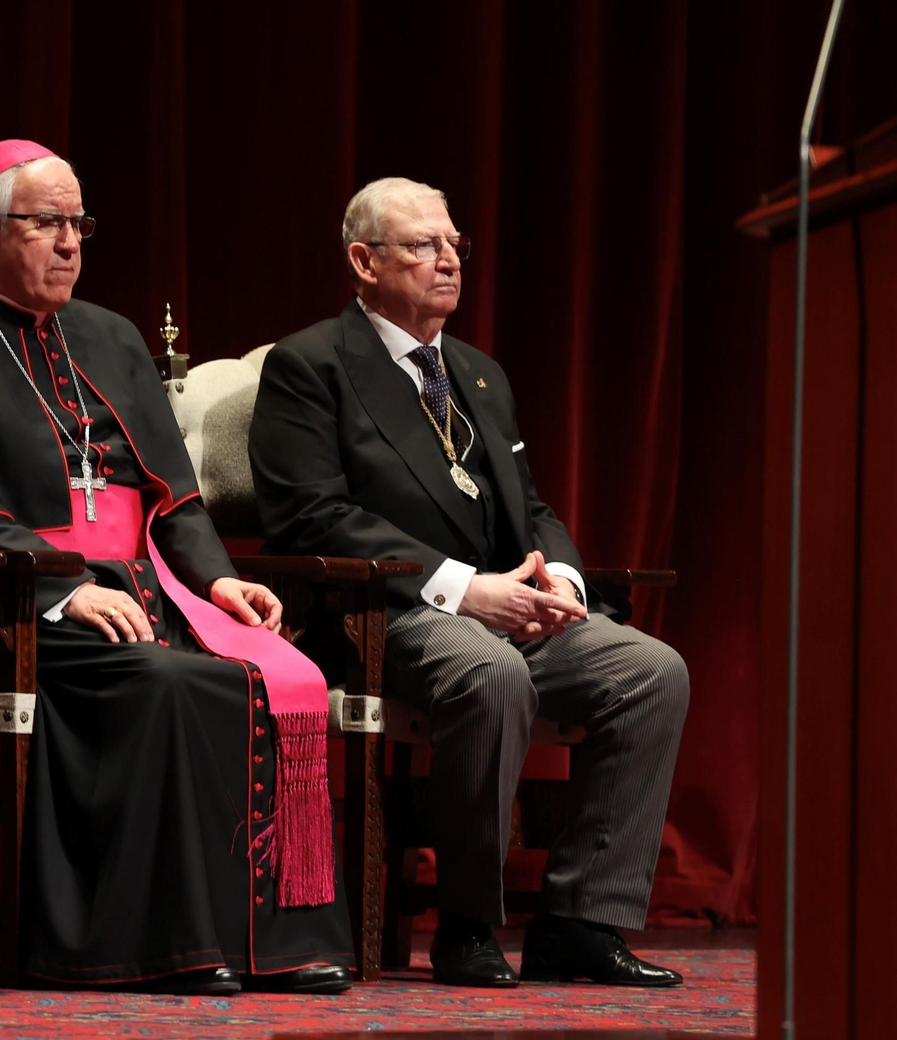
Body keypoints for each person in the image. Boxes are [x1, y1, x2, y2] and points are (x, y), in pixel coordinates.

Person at [0, 140, 355, 996]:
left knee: (267, 676)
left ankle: (266, 943)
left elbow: (175, 500)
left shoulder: (112, 337)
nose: (70, 241)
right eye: (46, 222)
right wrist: (64, 589)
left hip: (147, 586)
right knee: (167, 683)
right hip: (7, 602)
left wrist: (216, 580)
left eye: (77, 222)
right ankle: (150, 945)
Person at [248, 177, 690, 988]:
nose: (448, 260)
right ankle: (467, 924)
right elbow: (311, 516)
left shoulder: (478, 372)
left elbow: (533, 504)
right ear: (363, 260)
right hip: (387, 612)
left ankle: (581, 922)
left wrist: (559, 576)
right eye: (423, 245)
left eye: (454, 244)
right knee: (491, 673)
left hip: (508, 606)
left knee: (650, 671)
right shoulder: (310, 365)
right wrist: (463, 588)